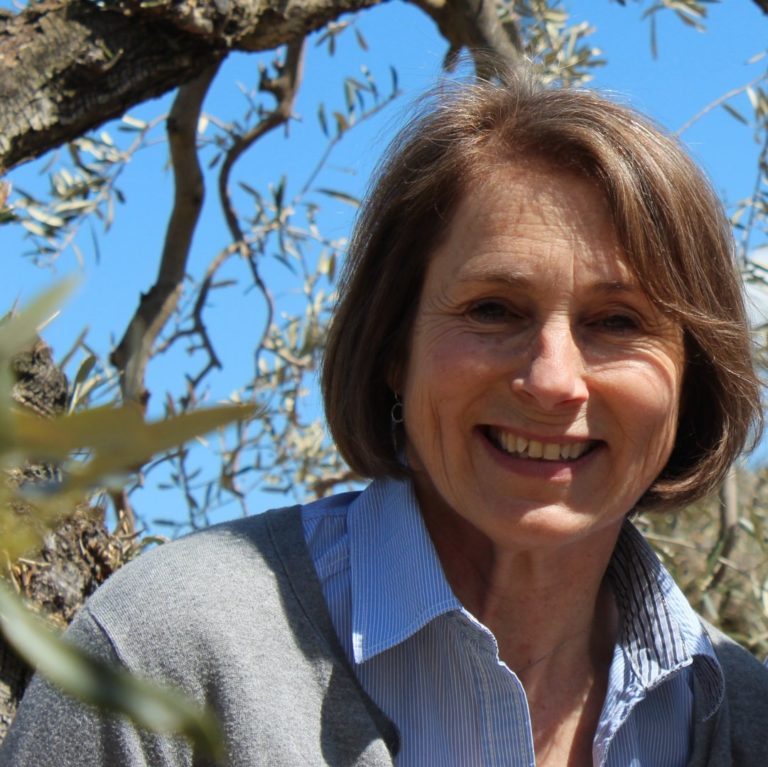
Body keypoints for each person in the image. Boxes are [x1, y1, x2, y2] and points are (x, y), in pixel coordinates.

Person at [2, 66, 768, 767]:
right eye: (493, 309)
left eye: (618, 322)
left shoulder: (745, 722)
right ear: (393, 347)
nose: (552, 380)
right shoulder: (173, 655)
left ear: (691, 375)